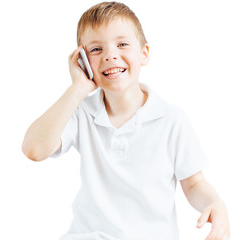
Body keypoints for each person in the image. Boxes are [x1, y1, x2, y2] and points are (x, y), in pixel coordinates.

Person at [22, 2, 230, 240]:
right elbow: (34, 149)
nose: (110, 55)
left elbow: (193, 184)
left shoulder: (171, 120)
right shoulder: (81, 114)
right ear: (82, 61)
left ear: (144, 54)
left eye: (122, 44)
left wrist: (216, 204)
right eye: (96, 49)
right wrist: (78, 88)